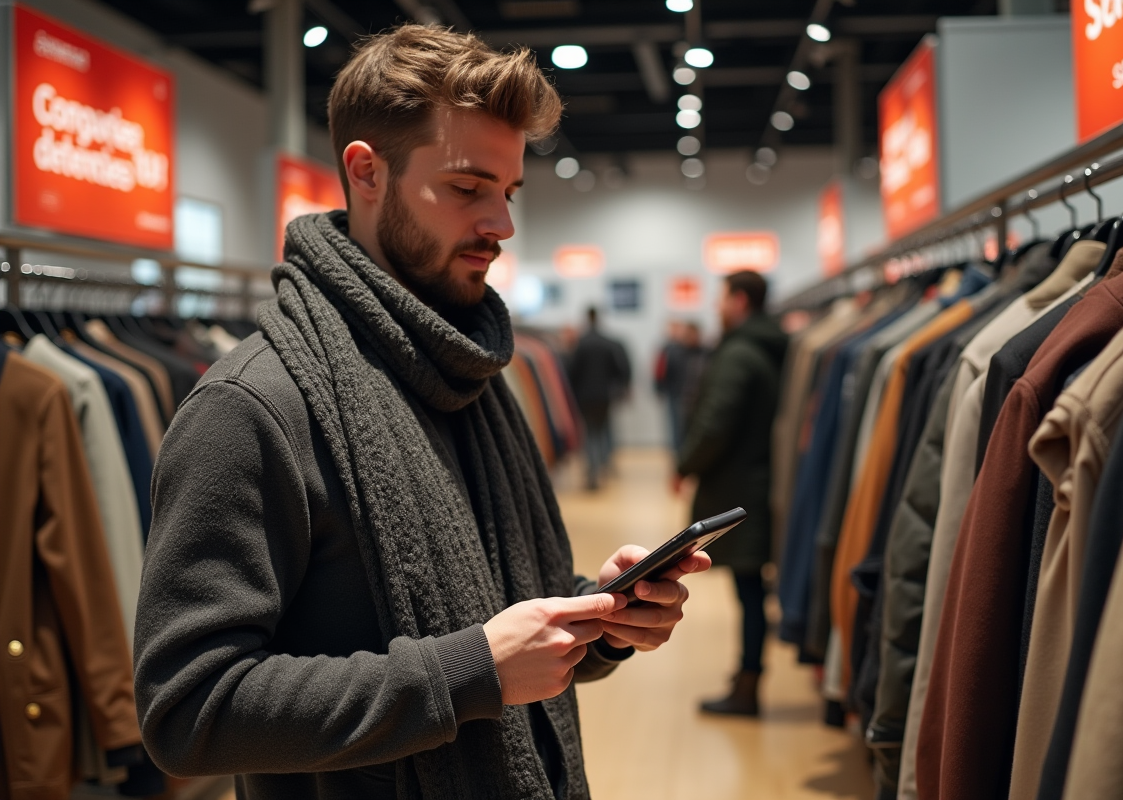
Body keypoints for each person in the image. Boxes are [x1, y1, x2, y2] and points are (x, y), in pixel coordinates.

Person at [133, 26, 709, 800]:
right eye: (468, 189)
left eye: (507, 194)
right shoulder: (252, 407)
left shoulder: (470, 374)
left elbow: (495, 612)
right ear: (366, 172)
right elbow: (187, 708)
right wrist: (469, 672)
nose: (501, 227)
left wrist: (599, 619)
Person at [676, 270, 787, 716]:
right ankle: (746, 677)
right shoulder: (771, 345)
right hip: (759, 480)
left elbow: (716, 421)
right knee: (752, 588)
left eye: (721, 298)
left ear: (740, 301)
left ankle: (748, 684)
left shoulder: (740, 352)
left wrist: (686, 464)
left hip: (743, 488)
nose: (716, 307)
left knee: (749, 590)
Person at [566, 307, 630, 490]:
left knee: (589, 434)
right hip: (604, 395)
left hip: (584, 396)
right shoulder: (607, 342)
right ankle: (603, 465)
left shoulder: (581, 343)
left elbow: (572, 372)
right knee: (602, 432)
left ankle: (593, 472)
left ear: (586, 318)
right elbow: (619, 369)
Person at [655, 320, 708, 456]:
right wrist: (661, 389)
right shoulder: (673, 351)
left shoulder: (706, 353)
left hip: (699, 399)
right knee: (677, 431)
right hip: (677, 396)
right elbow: (662, 372)